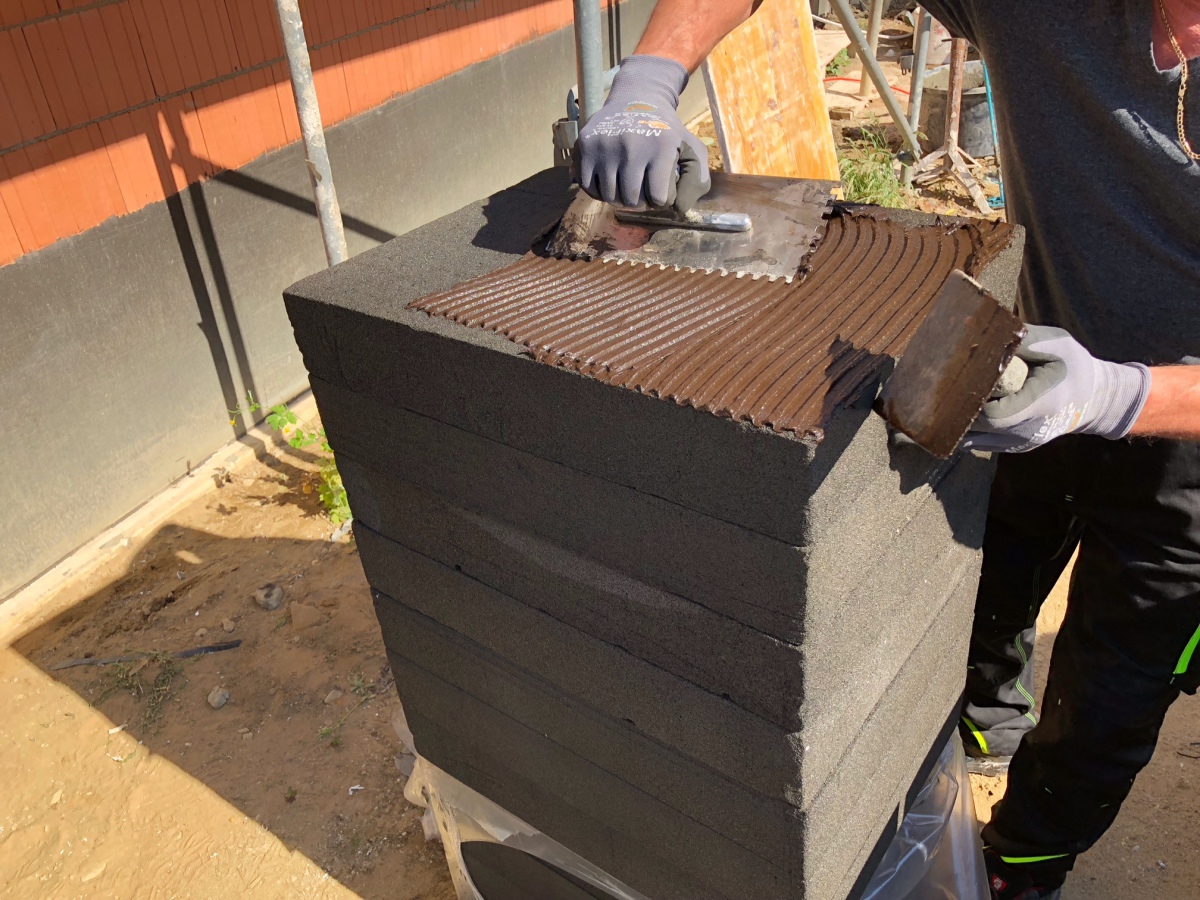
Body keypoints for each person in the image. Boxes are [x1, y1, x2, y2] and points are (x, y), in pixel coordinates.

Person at [574, 3, 1200, 898]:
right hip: (1036, 360)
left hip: (1184, 446)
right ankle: (973, 729)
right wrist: (648, 82)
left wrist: (1121, 395)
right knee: (982, 580)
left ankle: (1020, 863)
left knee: (1110, 700)